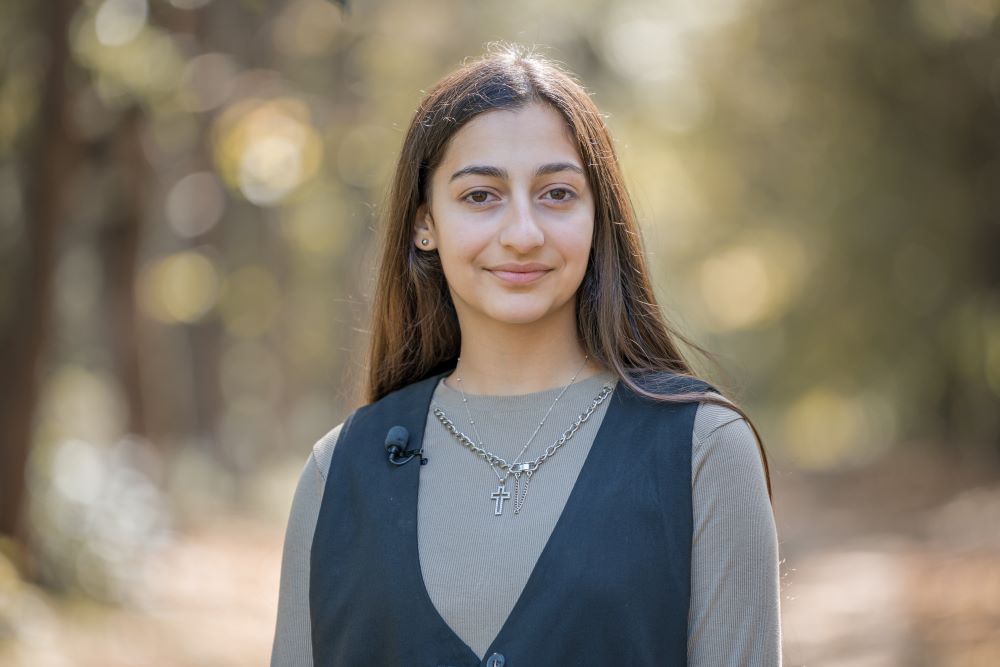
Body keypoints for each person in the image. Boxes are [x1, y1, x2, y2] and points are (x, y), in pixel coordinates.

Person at [270, 43, 781, 667]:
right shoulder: (337, 473)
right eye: (481, 196)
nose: (522, 234)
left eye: (557, 194)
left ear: (599, 217)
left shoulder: (702, 451)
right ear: (424, 224)